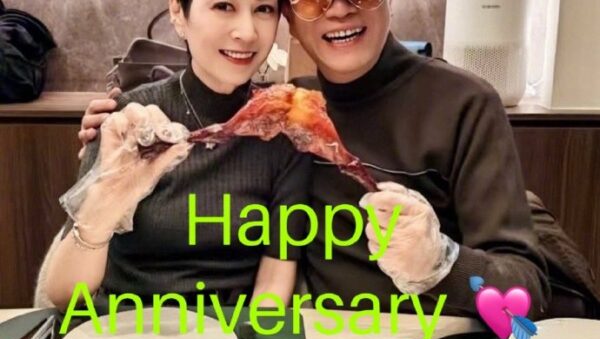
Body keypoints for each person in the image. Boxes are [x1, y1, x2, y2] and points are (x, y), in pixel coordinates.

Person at [75, 0, 588, 319]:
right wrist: (119, 122)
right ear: (290, 19)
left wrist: (440, 263)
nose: (339, 10)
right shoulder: (285, 110)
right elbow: (208, 93)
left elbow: (528, 289)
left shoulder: (463, 104)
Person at [40, 0, 311, 311]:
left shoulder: (284, 130)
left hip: (229, 330)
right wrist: (108, 200)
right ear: (178, 14)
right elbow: (64, 294)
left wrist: (249, 333)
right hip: (123, 326)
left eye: (263, 9)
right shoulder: (130, 120)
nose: (247, 32)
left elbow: (276, 274)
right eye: (224, 6)